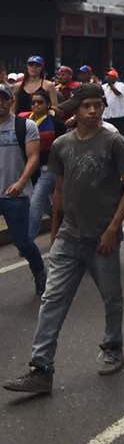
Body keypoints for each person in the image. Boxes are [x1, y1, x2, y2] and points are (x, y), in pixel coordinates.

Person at [4, 84, 124, 394]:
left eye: (98, 105)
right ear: (75, 111)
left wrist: (113, 228)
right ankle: (41, 369)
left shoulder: (113, 141)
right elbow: (59, 192)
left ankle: (113, 348)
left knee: (111, 296)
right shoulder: (63, 145)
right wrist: (54, 233)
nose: (93, 111)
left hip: (102, 237)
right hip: (69, 236)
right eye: (87, 106)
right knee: (52, 299)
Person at [0, 83, 47, 295]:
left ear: (11, 101)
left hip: (16, 194)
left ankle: (38, 271)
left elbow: (34, 157)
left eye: (4, 98)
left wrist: (20, 183)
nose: (0, 103)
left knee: (23, 242)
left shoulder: (25, 126)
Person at [23, 90, 61, 243]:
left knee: (35, 202)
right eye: (34, 102)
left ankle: (27, 241)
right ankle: (61, 221)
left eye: (40, 102)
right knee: (45, 204)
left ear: (48, 105)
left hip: (48, 168)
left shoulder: (55, 123)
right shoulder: (24, 121)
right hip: (31, 169)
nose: (36, 105)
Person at [102, 69, 124, 135]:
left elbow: (117, 93)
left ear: (115, 78)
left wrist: (110, 84)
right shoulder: (104, 86)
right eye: (107, 76)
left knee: (120, 135)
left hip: (119, 115)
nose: (108, 78)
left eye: (110, 76)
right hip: (107, 115)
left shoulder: (121, 85)